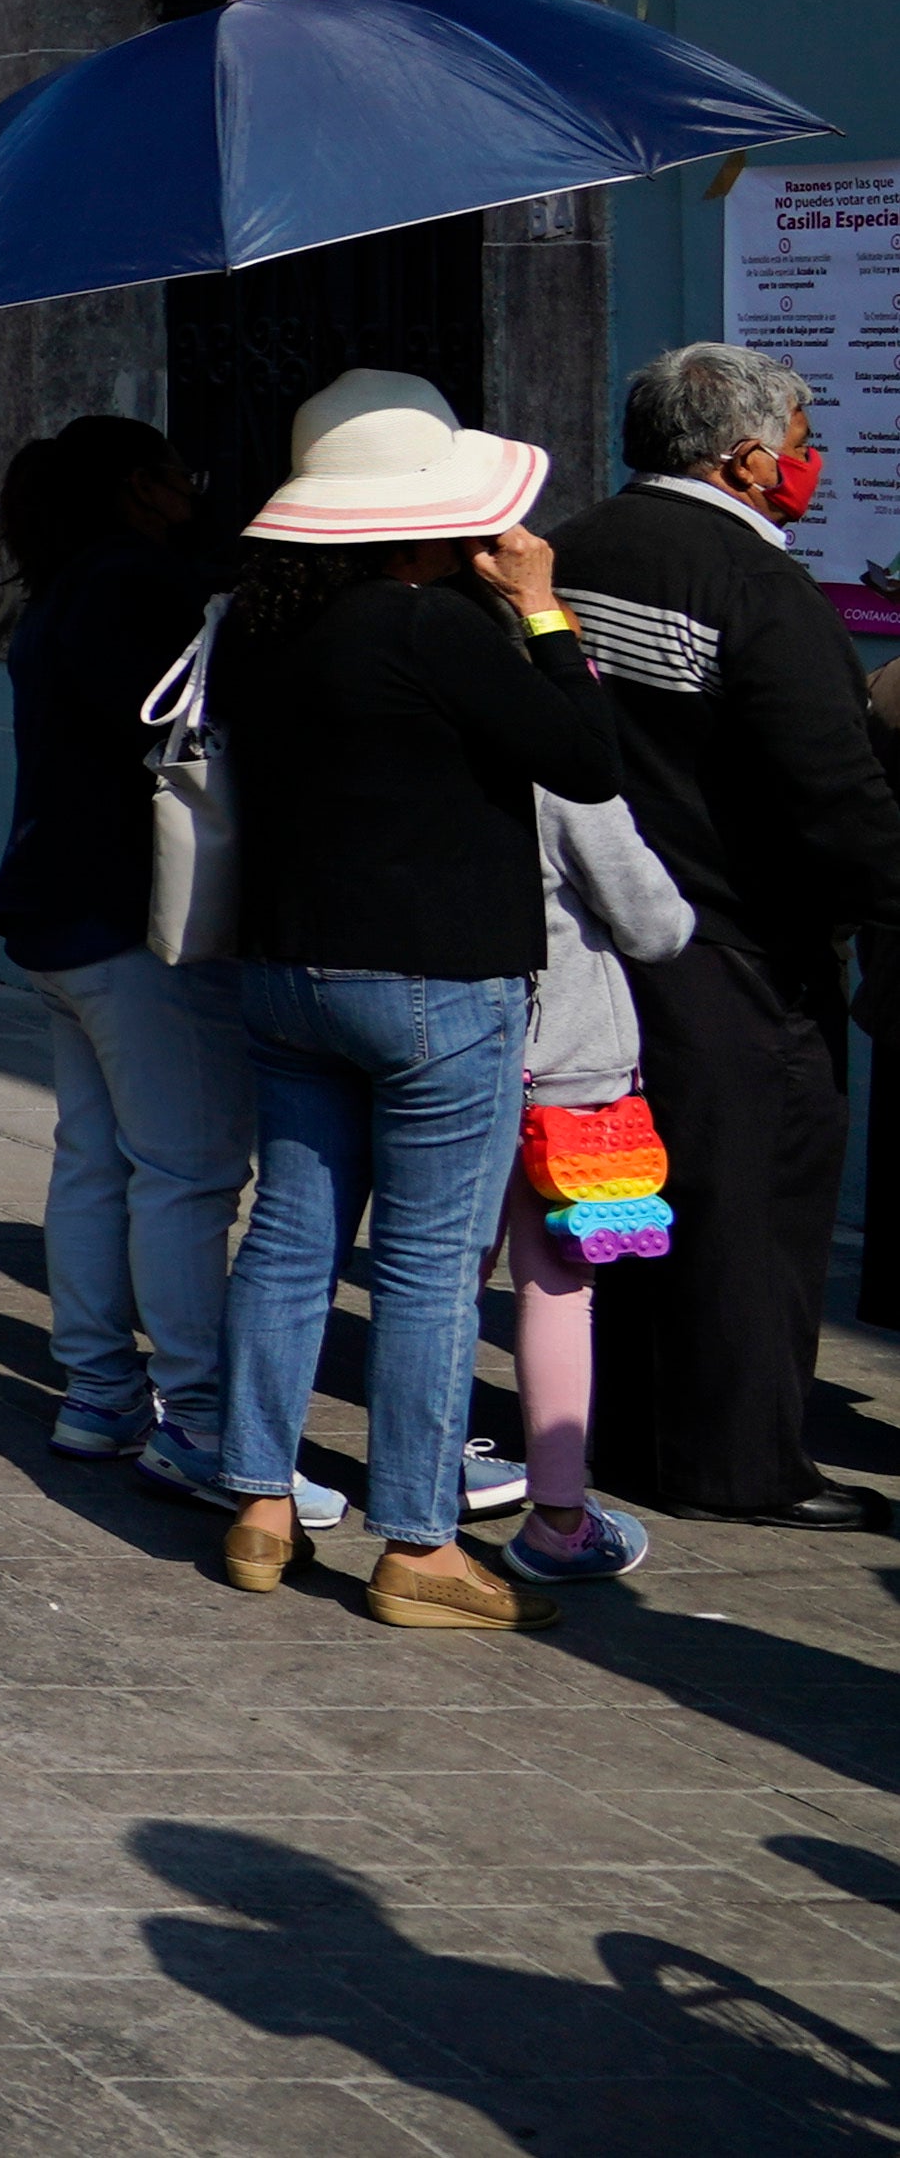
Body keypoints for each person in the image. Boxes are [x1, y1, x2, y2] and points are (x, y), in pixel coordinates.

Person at [206, 371, 620, 1626]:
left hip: (285, 970)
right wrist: (542, 611)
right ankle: (416, 1542)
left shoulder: (253, 623)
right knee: (433, 1266)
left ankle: (257, 1502)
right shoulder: (428, 627)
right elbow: (583, 757)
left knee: (288, 1235)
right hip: (436, 982)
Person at [549, 342, 900, 1528]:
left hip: (609, 933)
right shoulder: (755, 585)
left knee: (634, 1197)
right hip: (741, 944)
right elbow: (832, 790)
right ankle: (738, 1463)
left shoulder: (577, 546)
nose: (808, 462)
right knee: (751, 1208)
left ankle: (627, 1433)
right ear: (744, 456)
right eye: (800, 440)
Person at [0, 416, 270, 1503]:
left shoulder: (61, 588)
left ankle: (98, 1388)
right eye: (175, 474)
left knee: (96, 1158)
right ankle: (192, 1410)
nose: (191, 490)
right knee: (183, 1171)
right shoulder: (136, 588)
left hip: (61, 911)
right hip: (135, 919)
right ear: (141, 489)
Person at [493, 784, 695, 1587]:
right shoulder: (560, 763)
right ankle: (559, 1518)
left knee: (437, 1276)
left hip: (447, 1045)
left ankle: (421, 1490)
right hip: (568, 1065)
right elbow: (656, 923)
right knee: (556, 1285)